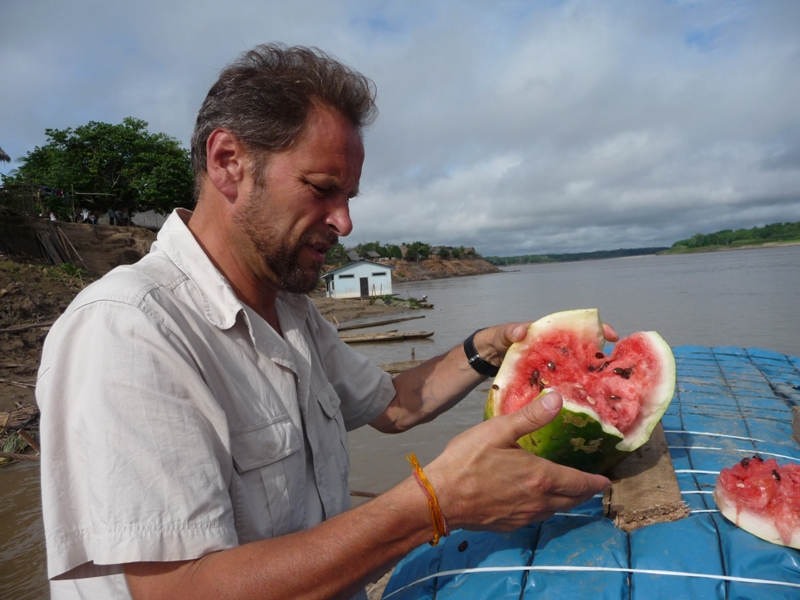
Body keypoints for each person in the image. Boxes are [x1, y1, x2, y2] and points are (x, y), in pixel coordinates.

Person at [37, 44, 613, 600]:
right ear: (228, 162)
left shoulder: (291, 310)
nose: (344, 221)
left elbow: (393, 405)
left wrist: (488, 347)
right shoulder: (128, 329)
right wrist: (434, 504)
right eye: (321, 189)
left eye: (350, 195)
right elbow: (182, 591)